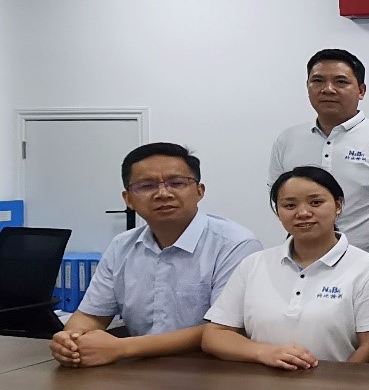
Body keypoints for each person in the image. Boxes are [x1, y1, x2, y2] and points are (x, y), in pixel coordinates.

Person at [49, 143, 262, 368]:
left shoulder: (235, 244)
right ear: (128, 199)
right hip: (138, 370)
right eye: (146, 186)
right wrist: (71, 340)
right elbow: (91, 316)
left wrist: (122, 348)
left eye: (177, 183)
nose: (163, 194)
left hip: (214, 371)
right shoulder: (121, 245)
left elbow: (223, 329)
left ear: (199, 191)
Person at [203, 166, 369, 368]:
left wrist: (336, 381)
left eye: (316, 203)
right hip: (259, 383)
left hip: (336, 384)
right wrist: (264, 352)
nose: (303, 213)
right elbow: (215, 335)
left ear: (338, 206)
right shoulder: (253, 264)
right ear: (278, 212)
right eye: (290, 205)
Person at [269, 49, 369, 274]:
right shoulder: (288, 139)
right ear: (307, 86)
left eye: (340, 82)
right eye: (318, 81)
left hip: (367, 268)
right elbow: (281, 201)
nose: (328, 89)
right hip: (299, 267)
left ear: (361, 90)